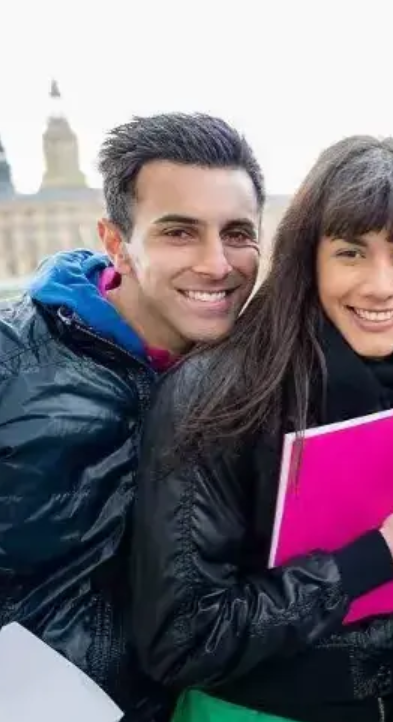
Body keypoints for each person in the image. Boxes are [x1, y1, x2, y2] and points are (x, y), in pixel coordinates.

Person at [128, 136, 393, 722]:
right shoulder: (219, 394)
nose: (381, 285)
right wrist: (372, 560)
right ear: (309, 259)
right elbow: (184, 636)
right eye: (351, 253)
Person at [0, 113, 265, 722]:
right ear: (116, 241)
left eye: (237, 233)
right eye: (179, 232)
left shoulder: (254, 383)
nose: (217, 264)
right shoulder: (15, 361)